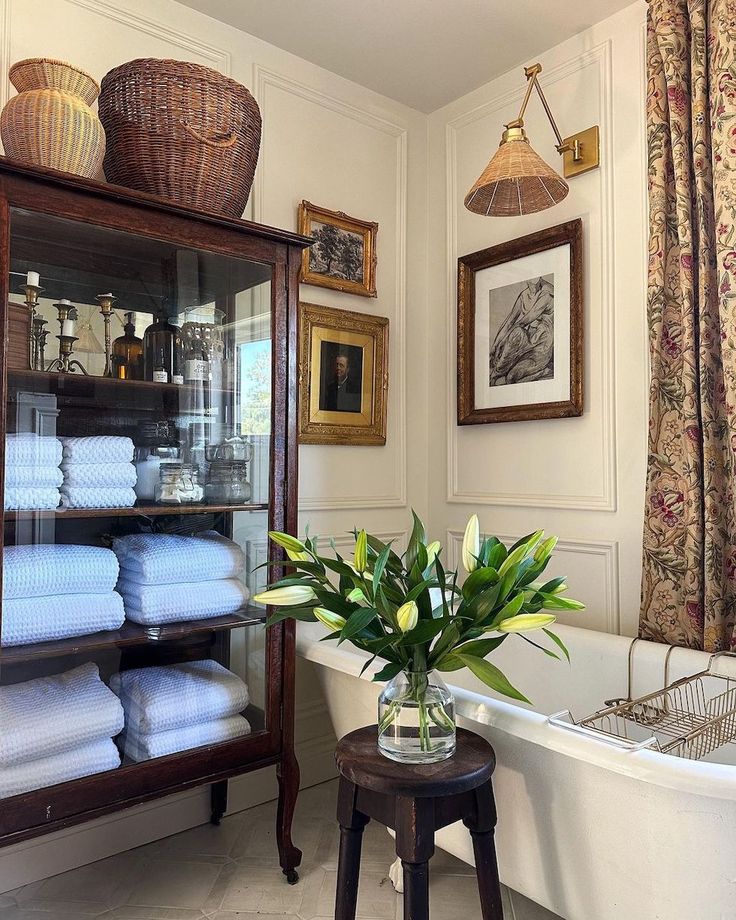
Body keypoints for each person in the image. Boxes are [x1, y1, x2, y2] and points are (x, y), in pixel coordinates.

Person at [489, 276, 554, 386]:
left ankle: (544, 371)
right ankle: (496, 372)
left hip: (540, 346)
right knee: (517, 332)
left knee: (511, 377)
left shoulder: (547, 293)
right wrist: (495, 345)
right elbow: (509, 321)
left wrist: (503, 341)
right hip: (523, 344)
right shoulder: (524, 294)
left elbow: (524, 320)